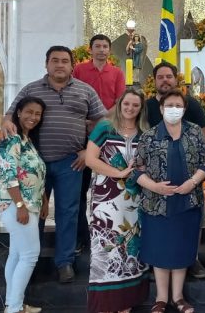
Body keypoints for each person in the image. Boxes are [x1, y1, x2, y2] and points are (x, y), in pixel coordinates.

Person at [2, 46, 107, 284]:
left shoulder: (85, 90)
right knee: (32, 213)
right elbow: (10, 115)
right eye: (55, 61)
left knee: (68, 213)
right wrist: (4, 125)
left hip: (71, 162)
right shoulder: (31, 89)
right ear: (46, 64)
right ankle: (32, 260)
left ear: (72, 65)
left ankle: (65, 262)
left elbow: (103, 123)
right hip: (33, 165)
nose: (60, 65)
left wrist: (87, 150)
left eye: (64, 61)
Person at [134, 90, 205, 313]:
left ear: (185, 109)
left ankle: (178, 298)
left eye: (178, 105)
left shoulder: (194, 132)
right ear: (161, 108)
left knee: (180, 250)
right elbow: (137, 170)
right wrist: (155, 186)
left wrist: (193, 182)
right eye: (169, 105)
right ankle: (160, 298)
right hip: (156, 204)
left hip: (187, 202)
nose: (174, 109)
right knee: (160, 250)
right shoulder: (149, 136)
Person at [84, 88, 149, 313]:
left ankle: (125, 302)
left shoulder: (144, 132)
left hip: (134, 199)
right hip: (106, 197)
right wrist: (118, 173)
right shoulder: (105, 127)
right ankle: (105, 303)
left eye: (135, 105)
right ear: (120, 104)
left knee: (131, 246)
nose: (130, 109)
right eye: (127, 104)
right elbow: (90, 159)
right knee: (107, 245)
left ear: (141, 109)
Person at [145, 61, 205, 278]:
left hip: (189, 175)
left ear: (176, 79)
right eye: (160, 77)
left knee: (192, 221)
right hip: (156, 179)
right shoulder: (146, 106)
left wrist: (195, 177)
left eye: (169, 76)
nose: (165, 80)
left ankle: (192, 259)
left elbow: (203, 136)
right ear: (154, 81)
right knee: (161, 226)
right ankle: (157, 261)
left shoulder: (190, 104)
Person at [0, 96, 49, 313]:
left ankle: (13, 304)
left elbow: (37, 173)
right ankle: (14, 309)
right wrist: (20, 206)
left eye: (37, 114)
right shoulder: (11, 138)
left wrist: (43, 200)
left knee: (17, 254)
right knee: (30, 254)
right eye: (29, 112)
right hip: (13, 204)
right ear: (18, 113)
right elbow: (9, 175)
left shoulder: (27, 140)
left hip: (29, 204)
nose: (33, 117)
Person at [73, 34, 127, 255]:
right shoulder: (79, 70)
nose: (102, 50)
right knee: (79, 188)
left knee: (107, 183)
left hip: (107, 132)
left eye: (105, 46)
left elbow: (120, 102)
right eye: (98, 46)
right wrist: (88, 121)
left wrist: (101, 121)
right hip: (81, 131)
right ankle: (80, 236)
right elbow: (75, 94)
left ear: (109, 50)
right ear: (91, 49)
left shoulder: (116, 72)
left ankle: (107, 231)